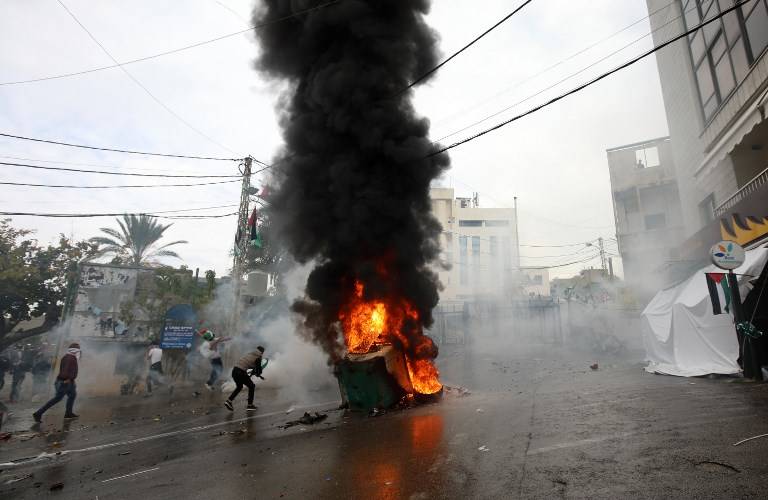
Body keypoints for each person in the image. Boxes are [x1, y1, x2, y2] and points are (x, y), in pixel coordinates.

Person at [33, 343, 81, 422]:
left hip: (69, 381)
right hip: (65, 381)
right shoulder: (69, 358)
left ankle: (68, 413)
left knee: (72, 395)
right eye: (78, 349)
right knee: (57, 398)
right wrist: (67, 379)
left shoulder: (69, 357)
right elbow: (65, 370)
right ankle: (38, 413)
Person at [224, 346, 265, 412]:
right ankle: (250, 405)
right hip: (241, 372)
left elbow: (248, 365)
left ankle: (229, 401)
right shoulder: (258, 357)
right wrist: (258, 373)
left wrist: (254, 371)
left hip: (234, 371)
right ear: (262, 352)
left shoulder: (250, 354)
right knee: (252, 386)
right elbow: (259, 370)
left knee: (239, 387)